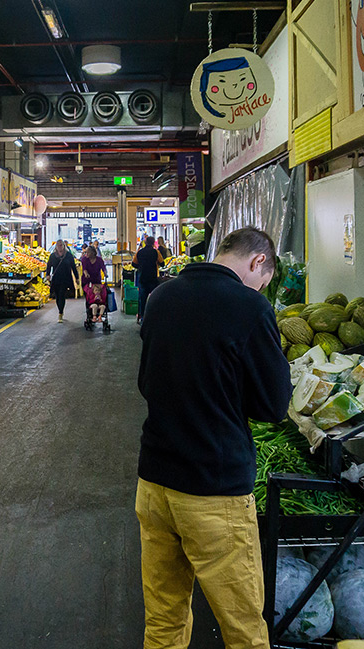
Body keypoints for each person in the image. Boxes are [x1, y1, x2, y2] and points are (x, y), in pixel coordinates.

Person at [135, 227, 291, 649]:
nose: (260, 288)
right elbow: (274, 406)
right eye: (263, 280)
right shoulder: (250, 307)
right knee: (244, 631)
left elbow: (147, 382)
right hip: (214, 492)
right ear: (259, 262)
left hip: (154, 485)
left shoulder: (161, 298)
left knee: (164, 622)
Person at [46, 240, 80, 323]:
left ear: (64, 246)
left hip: (66, 278)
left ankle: (60, 312)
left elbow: (73, 267)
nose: (60, 247)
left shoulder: (68, 255)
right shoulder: (53, 256)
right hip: (56, 278)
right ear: (56, 247)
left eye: (61, 245)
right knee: (57, 296)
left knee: (62, 294)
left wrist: (77, 278)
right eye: (58, 245)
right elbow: (49, 266)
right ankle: (60, 309)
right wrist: (48, 275)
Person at [132, 236, 163, 324]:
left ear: (145, 242)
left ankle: (142, 318)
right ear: (153, 243)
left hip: (142, 278)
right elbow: (162, 263)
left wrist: (141, 267)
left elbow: (133, 264)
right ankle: (154, 317)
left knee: (142, 299)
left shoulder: (140, 252)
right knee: (154, 298)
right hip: (153, 278)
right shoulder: (156, 252)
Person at [80, 245, 108, 323]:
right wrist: (86, 274)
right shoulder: (84, 259)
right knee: (89, 297)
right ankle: (89, 314)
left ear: (93, 253)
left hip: (96, 280)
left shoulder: (99, 260)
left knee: (98, 294)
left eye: (88, 252)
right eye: (86, 252)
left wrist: (105, 274)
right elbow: (84, 269)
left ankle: (98, 313)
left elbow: (103, 268)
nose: (86, 253)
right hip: (87, 281)